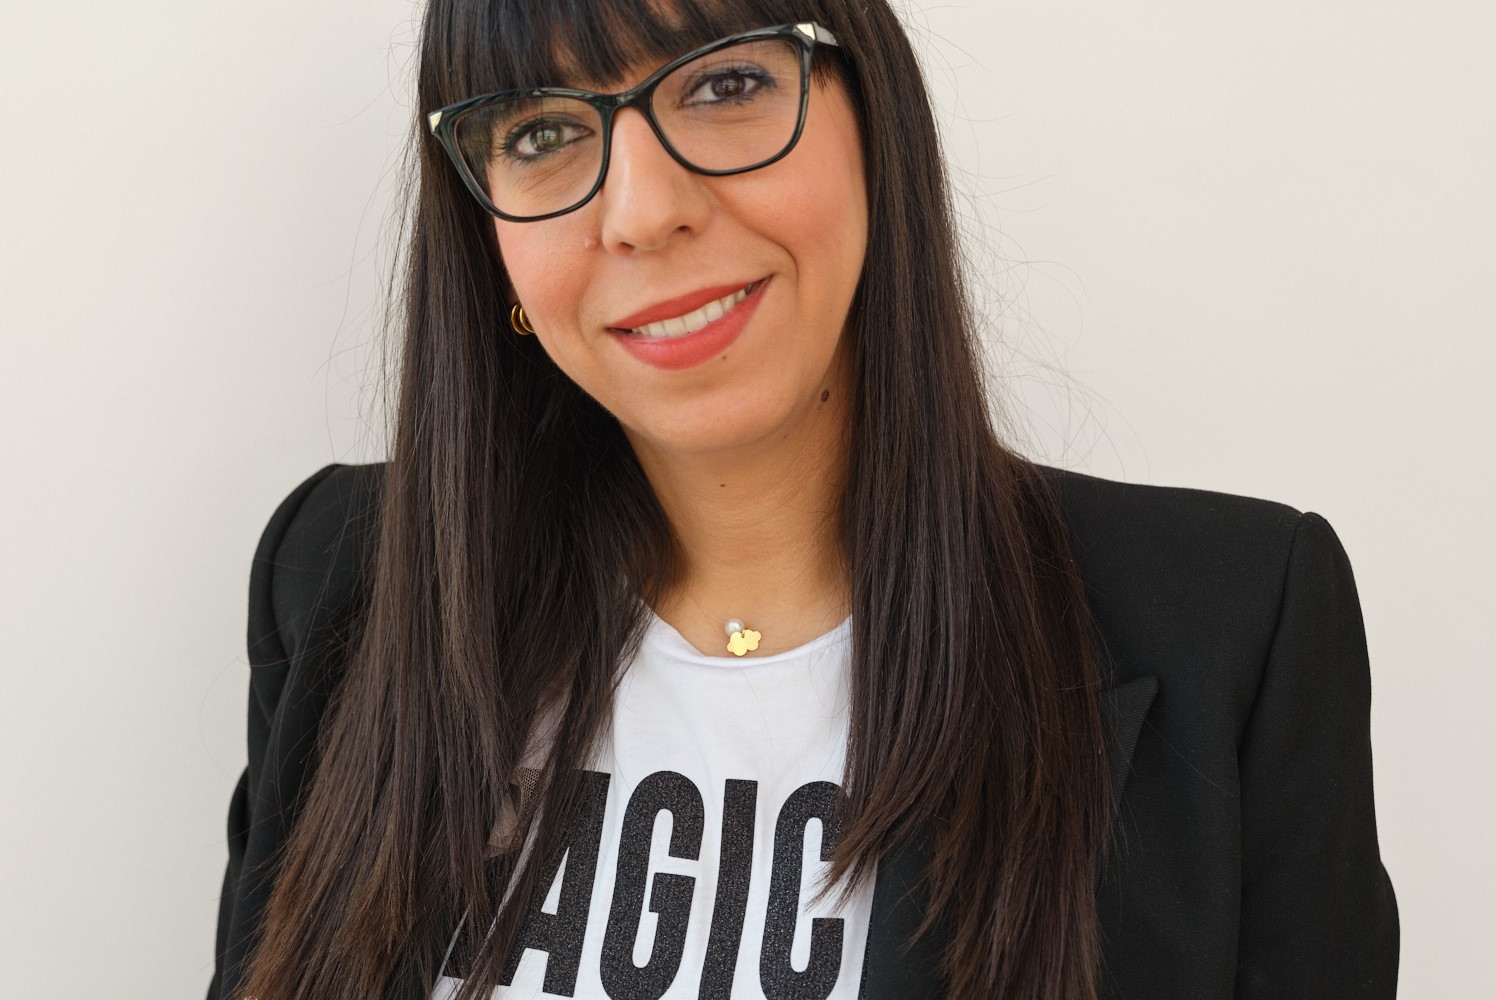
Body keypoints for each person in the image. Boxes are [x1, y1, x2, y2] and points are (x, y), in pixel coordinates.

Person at [209, 1, 1399, 998]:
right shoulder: (342, 581)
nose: (641, 211)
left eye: (724, 85)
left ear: (872, 119)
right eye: (541, 133)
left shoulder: (1227, 627)